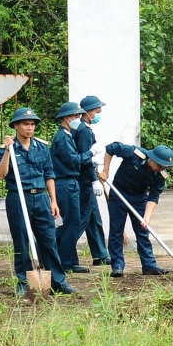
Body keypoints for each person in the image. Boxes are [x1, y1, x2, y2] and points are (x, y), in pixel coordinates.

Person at [0, 107, 76, 296]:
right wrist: (7, 152)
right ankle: (24, 282)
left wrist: (53, 200)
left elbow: (49, 174)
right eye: (25, 124)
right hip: (18, 197)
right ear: (16, 126)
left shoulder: (41, 147)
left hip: (40, 197)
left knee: (49, 239)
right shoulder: (7, 148)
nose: (29, 128)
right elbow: (0, 175)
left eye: (32, 124)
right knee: (21, 240)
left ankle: (58, 281)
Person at [98, 142, 173, 277]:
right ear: (152, 159)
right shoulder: (134, 153)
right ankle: (117, 265)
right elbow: (110, 148)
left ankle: (149, 265)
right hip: (119, 192)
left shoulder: (160, 175)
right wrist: (105, 170)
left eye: (164, 166)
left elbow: (154, 196)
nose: (161, 168)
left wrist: (147, 217)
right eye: (159, 165)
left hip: (139, 197)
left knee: (142, 231)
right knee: (116, 230)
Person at [51, 102, 103, 274]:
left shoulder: (66, 135)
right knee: (71, 224)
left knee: (72, 223)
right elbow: (73, 160)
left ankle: (67, 260)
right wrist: (91, 154)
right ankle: (66, 261)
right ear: (67, 118)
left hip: (69, 182)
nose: (77, 119)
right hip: (65, 182)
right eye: (75, 116)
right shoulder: (62, 137)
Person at [74, 95, 110, 267]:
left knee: (94, 219)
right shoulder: (84, 131)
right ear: (87, 112)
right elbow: (85, 158)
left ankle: (100, 254)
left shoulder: (85, 128)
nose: (99, 114)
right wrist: (94, 180)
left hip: (86, 180)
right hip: (84, 182)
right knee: (81, 220)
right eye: (97, 111)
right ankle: (60, 248)